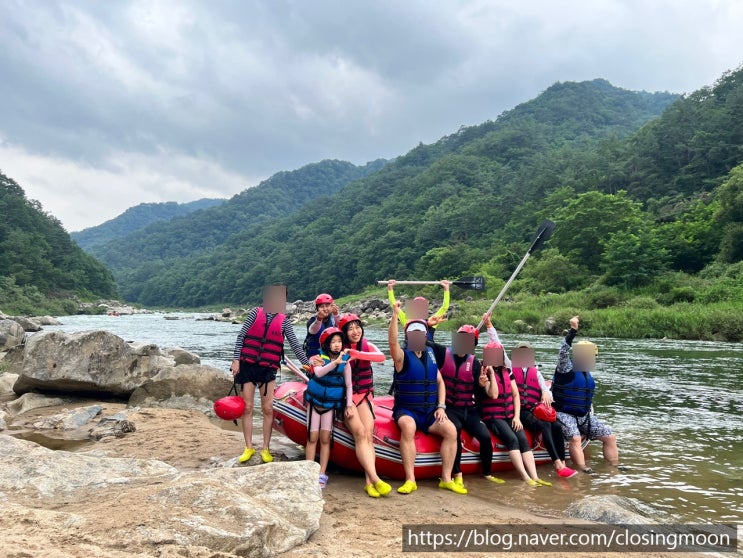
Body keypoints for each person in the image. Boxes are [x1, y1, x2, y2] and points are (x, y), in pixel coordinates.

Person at [388, 301, 464, 495]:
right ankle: (410, 479)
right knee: (408, 427)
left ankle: (446, 479)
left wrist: (441, 406)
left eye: (420, 334)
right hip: (407, 410)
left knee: (451, 430)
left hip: (430, 412)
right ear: (408, 336)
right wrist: (395, 315)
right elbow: (392, 342)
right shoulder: (401, 357)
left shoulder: (430, 354)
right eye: (413, 334)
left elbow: (440, 382)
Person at [231, 285, 310, 464]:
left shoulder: (284, 321)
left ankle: (265, 448)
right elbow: (241, 337)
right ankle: (248, 447)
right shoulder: (255, 313)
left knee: (267, 409)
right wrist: (236, 360)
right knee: (247, 407)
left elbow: (295, 345)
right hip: (248, 366)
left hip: (268, 369)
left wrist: (308, 364)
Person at [430, 323, 506, 490]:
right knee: (455, 430)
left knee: (485, 437)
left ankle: (487, 473)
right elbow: (423, 342)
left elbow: (478, 393)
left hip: (468, 409)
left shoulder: (475, 364)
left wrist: (481, 385)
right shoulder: (442, 353)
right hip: (449, 407)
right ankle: (457, 474)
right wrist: (429, 326)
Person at [477, 341, 551, 486]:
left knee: (523, 440)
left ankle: (535, 477)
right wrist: (491, 374)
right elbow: (493, 394)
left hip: (510, 415)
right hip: (493, 417)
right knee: (512, 440)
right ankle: (525, 477)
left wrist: (517, 417)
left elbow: (515, 395)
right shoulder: (483, 373)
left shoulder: (507, 371)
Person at [552, 315, 619, 473]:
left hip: (583, 416)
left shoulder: (587, 374)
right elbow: (563, 352)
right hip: (563, 413)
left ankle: (614, 468)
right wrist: (573, 330)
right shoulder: (566, 368)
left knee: (610, 436)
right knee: (575, 438)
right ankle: (583, 470)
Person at [338, 313, 393, 498]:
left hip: (364, 395)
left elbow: (381, 357)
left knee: (369, 436)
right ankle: (376, 480)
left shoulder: (366, 345)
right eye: (350, 329)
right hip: (347, 398)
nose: (355, 331)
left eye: (357, 327)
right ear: (344, 332)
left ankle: (369, 483)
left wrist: (356, 354)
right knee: (360, 434)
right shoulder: (339, 348)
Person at [510, 341, 578, 479]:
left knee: (557, 426)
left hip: (534, 409)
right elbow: (496, 343)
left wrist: (546, 393)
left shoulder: (536, 373)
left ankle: (563, 463)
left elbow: (545, 389)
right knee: (544, 425)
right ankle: (557, 464)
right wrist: (490, 329)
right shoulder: (510, 369)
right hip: (519, 410)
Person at [304, 327, 354, 488]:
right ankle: (308, 471)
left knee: (325, 438)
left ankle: (321, 473)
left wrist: (349, 405)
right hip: (315, 403)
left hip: (330, 405)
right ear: (327, 344)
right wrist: (334, 363)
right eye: (333, 342)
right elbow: (318, 373)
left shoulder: (345, 362)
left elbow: (349, 385)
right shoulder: (318, 358)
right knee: (312, 437)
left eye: (339, 341)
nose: (337, 345)